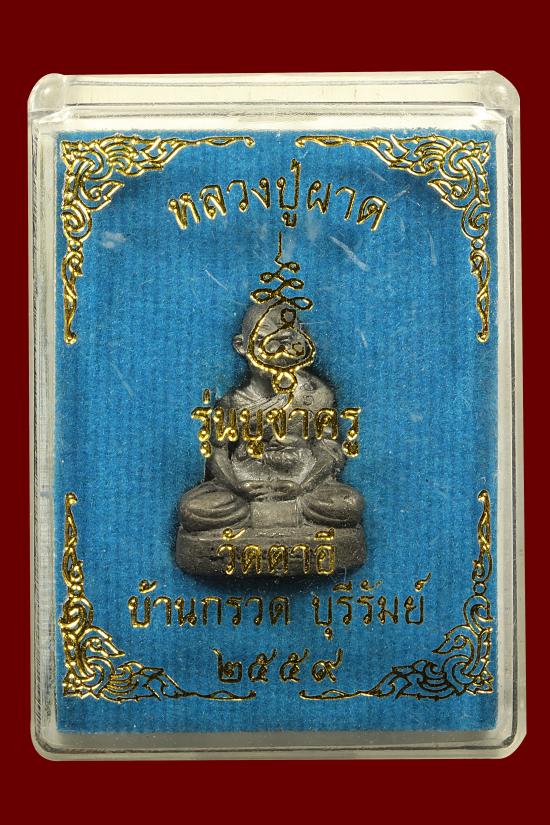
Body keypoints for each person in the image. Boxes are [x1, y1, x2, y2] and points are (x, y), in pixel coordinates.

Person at [179, 302, 363, 532]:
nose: (278, 356)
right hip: (247, 485)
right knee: (193, 509)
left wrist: (305, 485)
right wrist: (236, 485)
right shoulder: (233, 402)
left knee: (349, 504)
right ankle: (280, 515)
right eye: (267, 344)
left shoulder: (316, 395)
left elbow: (329, 449)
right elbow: (216, 451)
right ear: (241, 346)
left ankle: (274, 514)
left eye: (288, 342)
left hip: (301, 483)